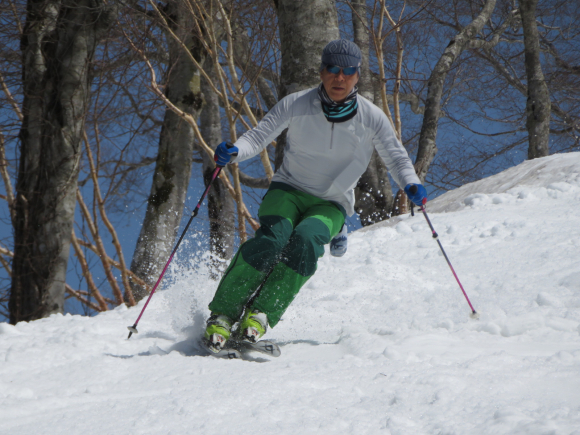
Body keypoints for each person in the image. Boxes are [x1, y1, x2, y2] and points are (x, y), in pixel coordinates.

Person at [203, 39, 427, 353]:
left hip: (332, 202)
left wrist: (411, 184)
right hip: (289, 189)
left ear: (357, 76)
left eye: (347, 72)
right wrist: (235, 151)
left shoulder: (371, 117)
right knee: (272, 240)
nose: (340, 78)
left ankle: (261, 313)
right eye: (333, 70)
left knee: (306, 241)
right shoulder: (296, 103)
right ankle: (223, 313)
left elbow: (396, 157)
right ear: (321, 71)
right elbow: (259, 135)